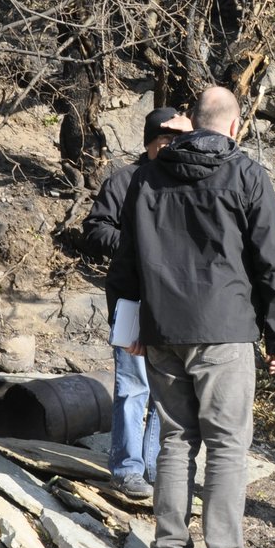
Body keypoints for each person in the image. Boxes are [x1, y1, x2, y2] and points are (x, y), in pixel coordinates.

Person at [107, 86, 275, 548]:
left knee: (174, 440)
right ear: (234, 127)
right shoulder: (245, 174)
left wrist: (128, 330)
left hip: (163, 329)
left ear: (192, 122)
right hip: (225, 331)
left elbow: (123, 264)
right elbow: (271, 263)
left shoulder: (146, 176)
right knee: (228, 446)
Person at [81, 107, 193, 499]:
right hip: (130, 298)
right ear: (147, 143)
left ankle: (154, 467)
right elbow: (95, 230)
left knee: (169, 388)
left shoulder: (187, 184)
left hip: (175, 303)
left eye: (175, 141)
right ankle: (127, 468)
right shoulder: (124, 180)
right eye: (162, 141)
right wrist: (134, 247)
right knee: (132, 384)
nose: (168, 148)